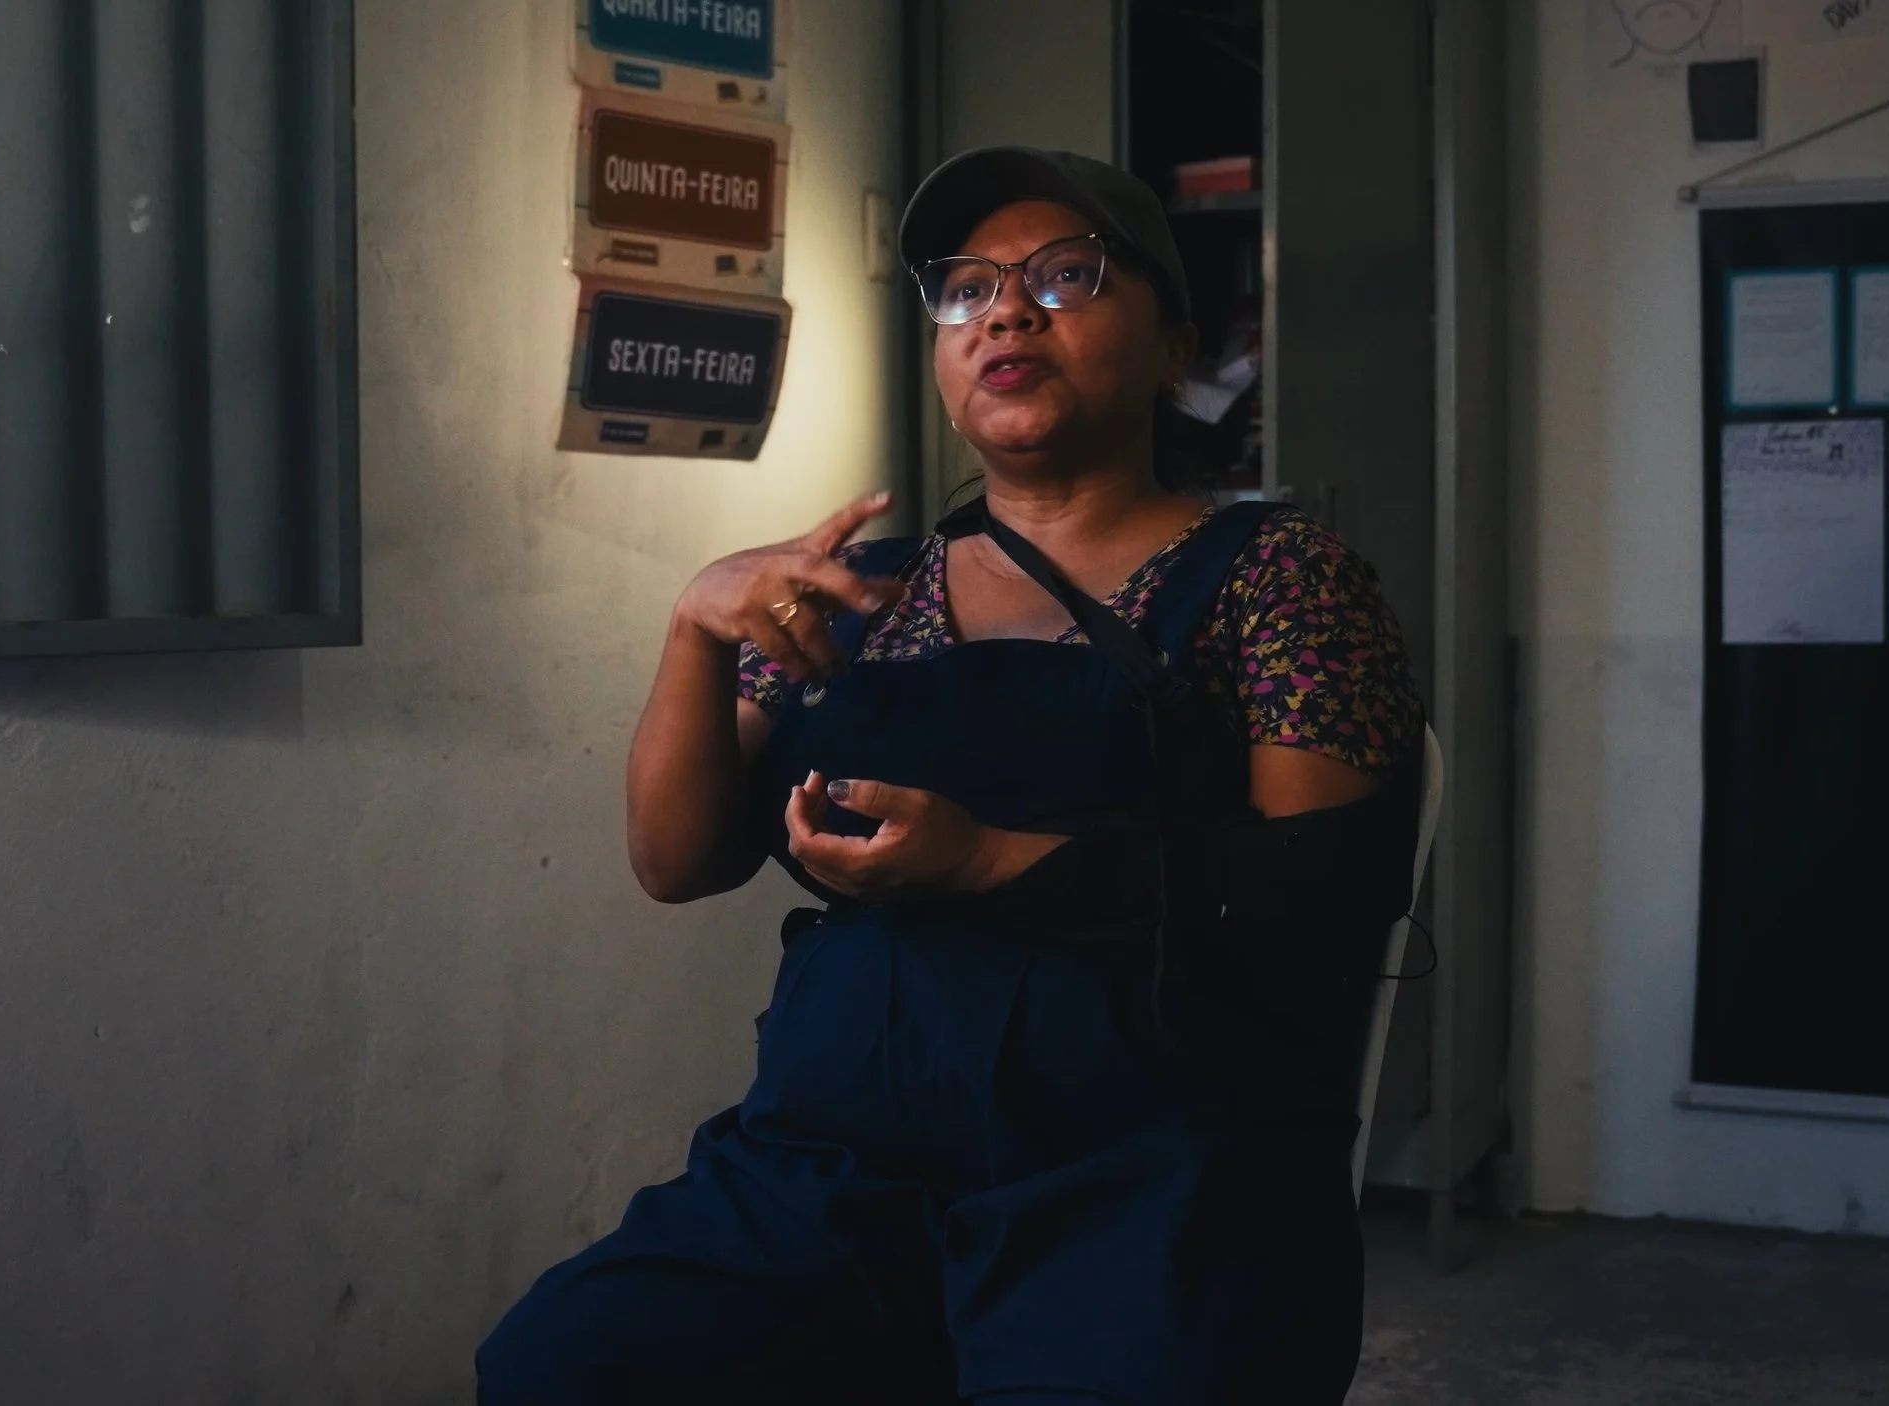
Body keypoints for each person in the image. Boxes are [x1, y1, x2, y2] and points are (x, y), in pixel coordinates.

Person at [477, 146, 1426, 1406]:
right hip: (835, 1168)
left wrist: (990, 860)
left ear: (1173, 350)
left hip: (1152, 1174)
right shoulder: (856, 591)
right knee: (566, 1364)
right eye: (968, 288)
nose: (1007, 312)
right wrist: (694, 630)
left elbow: (1324, 897)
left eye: (1066, 276)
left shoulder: (1278, 577)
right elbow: (676, 861)